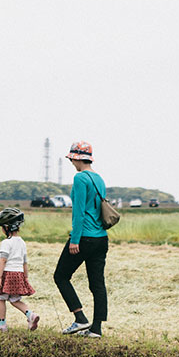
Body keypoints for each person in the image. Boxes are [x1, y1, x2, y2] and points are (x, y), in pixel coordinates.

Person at [54, 141, 109, 338]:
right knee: (97, 284)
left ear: (77, 158)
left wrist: (74, 240)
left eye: (72, 159)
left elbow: (78, 213)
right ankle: (96, 329)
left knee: (60, 276)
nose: (71, 163)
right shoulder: (99, 178)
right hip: (101, 238)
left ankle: (80, 318)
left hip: (84, 237)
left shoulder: (80, 179)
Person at [0, 207, 40, 332]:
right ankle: (30, 315)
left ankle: (1, 325)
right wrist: (25, 278)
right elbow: (25, 262)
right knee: (15, 299)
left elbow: (3, 260)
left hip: (8, 273)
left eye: (2, 226)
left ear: (7, 227)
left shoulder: (6, 242)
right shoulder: (22, 242)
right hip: (19, 274)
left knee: (0, 297)